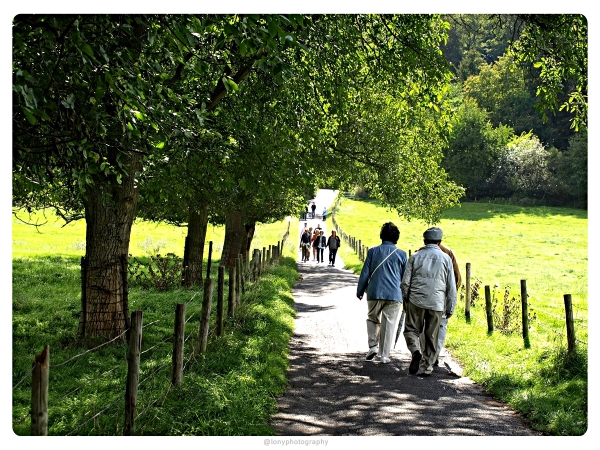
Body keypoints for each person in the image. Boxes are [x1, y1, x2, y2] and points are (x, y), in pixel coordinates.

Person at [401, 227, 457, 376]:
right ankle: (427, 367)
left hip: (416, 300)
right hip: (437, 303)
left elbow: (405, 282)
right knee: (432, 335)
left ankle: (415, 352)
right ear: (439, 242)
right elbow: (451, 286)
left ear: (424, 241)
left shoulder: (415, 256)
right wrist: (450, 307)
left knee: (411, 330)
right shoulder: (446, 258)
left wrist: (406, 299)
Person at [356, 222, 408, 364]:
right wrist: (407, 296)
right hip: (394, 294)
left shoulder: (373, 251)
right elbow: (405, 278)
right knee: (389, 323)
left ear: (382, 236)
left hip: (374, 291)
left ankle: (373, 345)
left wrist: (360, 290)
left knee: (372, 318)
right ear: (396, 237)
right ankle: (384, 355)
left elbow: (365, 272)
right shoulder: (402, 254)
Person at [417, 239, 462, 366]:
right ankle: (434, 354)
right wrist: (450, 299)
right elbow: (457, 279)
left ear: (425, 240)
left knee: (424, 326)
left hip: (422, 297)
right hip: (442, 298)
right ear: (439, 240)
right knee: (441, 326)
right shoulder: (448, 253)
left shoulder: (419, 253)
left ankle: (426, 355)